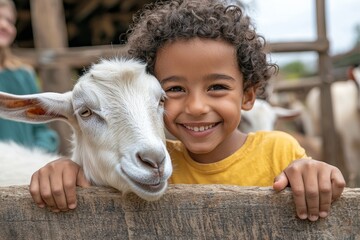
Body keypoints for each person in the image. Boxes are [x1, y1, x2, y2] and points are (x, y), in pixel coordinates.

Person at [29, 0, 345, 221]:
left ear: (248, 96)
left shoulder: (279, 150)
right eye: (175, 90)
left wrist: (314, 173)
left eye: (217, 87)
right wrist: (68, 170)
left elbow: (310, 178)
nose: (195, 107)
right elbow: (95, 172)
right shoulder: (153, 161)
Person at [0, 0, 59, 153]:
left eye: (9, 21)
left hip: (21, 169)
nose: (4, 25)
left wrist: (35, 156)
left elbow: (41, 129)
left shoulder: (24, 74)